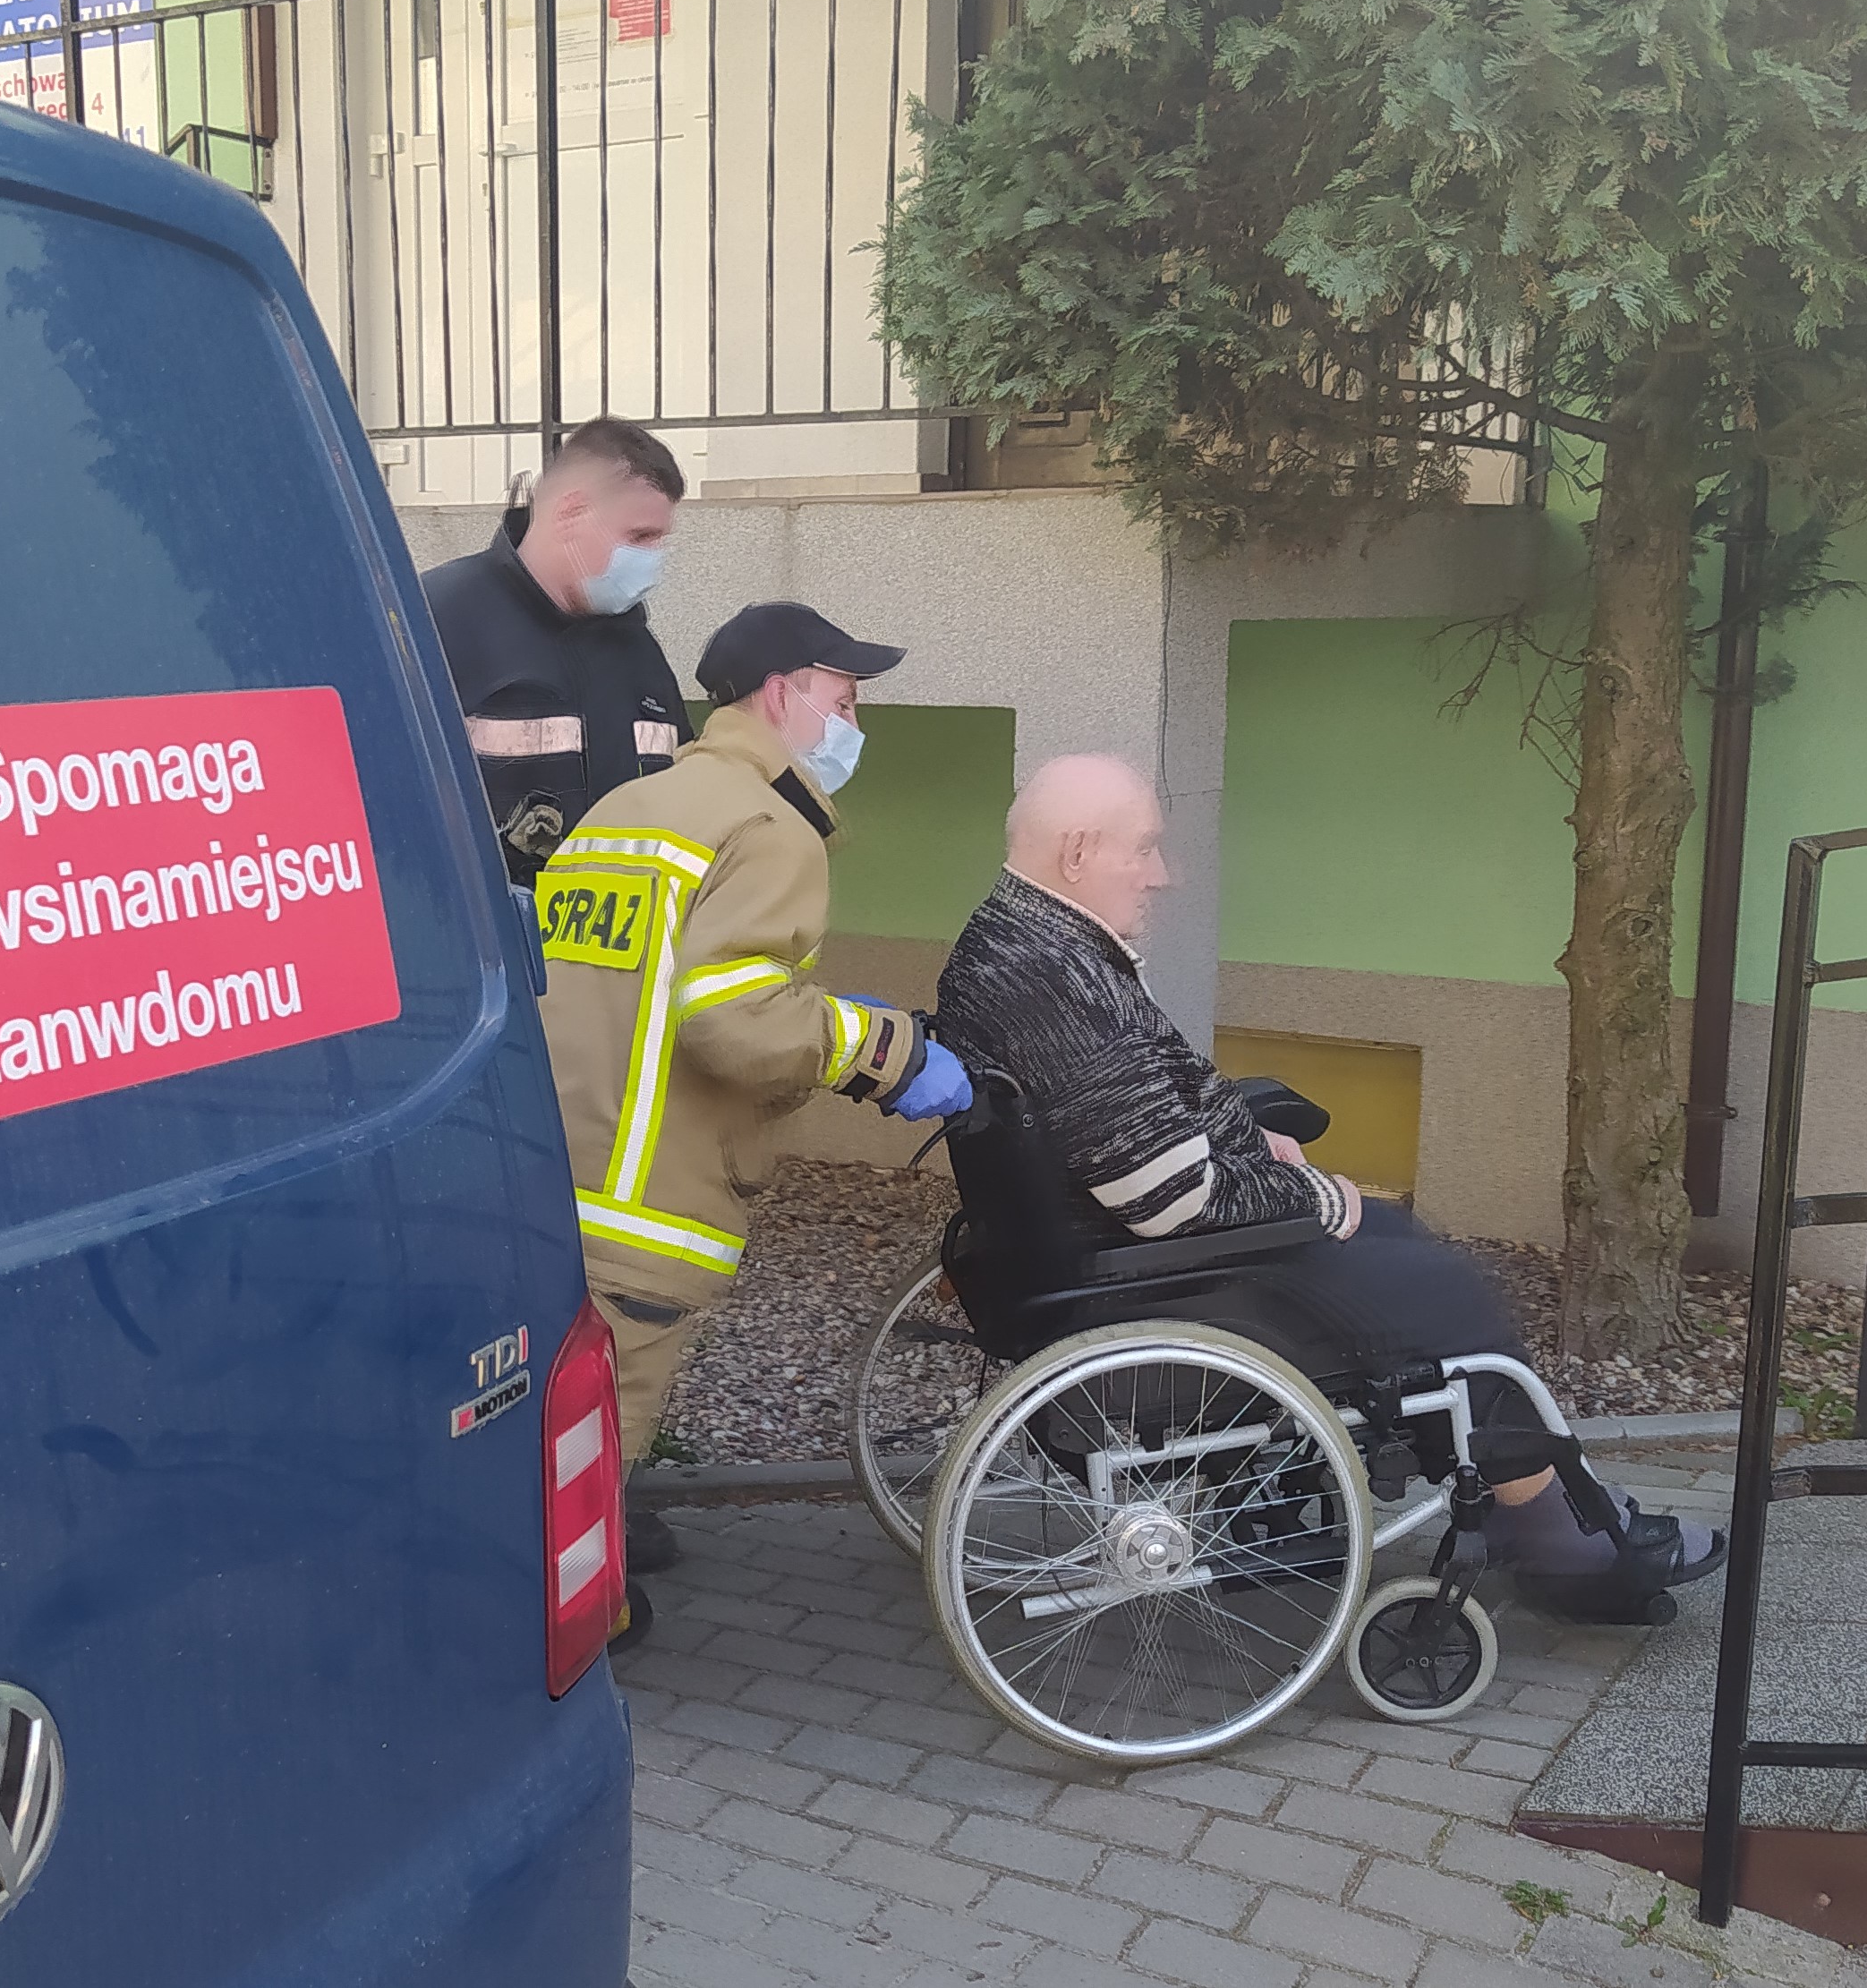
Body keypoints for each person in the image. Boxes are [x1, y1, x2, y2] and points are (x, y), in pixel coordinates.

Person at [935, 754, 1725, 1617]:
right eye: (1146, 849)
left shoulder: (1021, 940)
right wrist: (1312, 1198)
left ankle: (1533, 1498)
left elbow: (1157, 1100)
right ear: (1078, 853)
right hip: (1141, 1282)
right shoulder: (1053, 976)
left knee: (1397, 1240)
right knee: (1449, 1290)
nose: (1164, 874)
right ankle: (1553, 1535)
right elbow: (1163, 1198)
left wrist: (1252, 1142)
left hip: (1087, 1254)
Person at [538, 602, 974, 1645]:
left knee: (546, 1418)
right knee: (589, 1448)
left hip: (554, 1172)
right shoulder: (769, 827)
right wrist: (888, 1050)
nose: (854, 722)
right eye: (844, 697)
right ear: (782, 692)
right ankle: (562, 1645)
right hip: (648, 1203)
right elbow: (734, 1024)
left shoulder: (625, 809)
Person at [422, 418, 692, 885]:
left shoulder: (636, 646)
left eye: (659, 540)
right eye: (640, 537)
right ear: (571, 512)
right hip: (493, 928)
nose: (654, 559)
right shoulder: (439, 620)